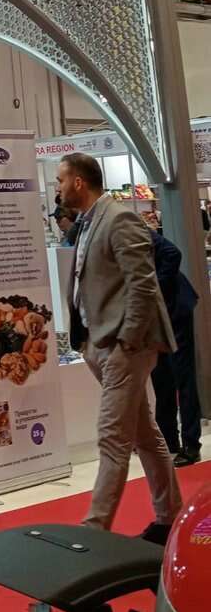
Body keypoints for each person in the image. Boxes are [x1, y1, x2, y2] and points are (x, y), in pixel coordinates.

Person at [58, 152, 182, 543]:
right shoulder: (87, 222)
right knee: (145, 435)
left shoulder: (119, 218)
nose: (58, 188)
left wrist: (127, 340)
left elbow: (142, 285)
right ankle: (170, 517)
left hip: (125, 346)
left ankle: (94, 533)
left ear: (79, 181)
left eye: (61, 180)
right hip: (101, 343)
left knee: (112, 437)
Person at [149, 228, 202, 468]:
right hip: (154, 315)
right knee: (160, 377)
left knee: (183, 377)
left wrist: (154, 288)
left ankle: (191, 444)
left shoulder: (129, 226)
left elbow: (173, 253)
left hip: (174, 309)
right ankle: (168, 439)